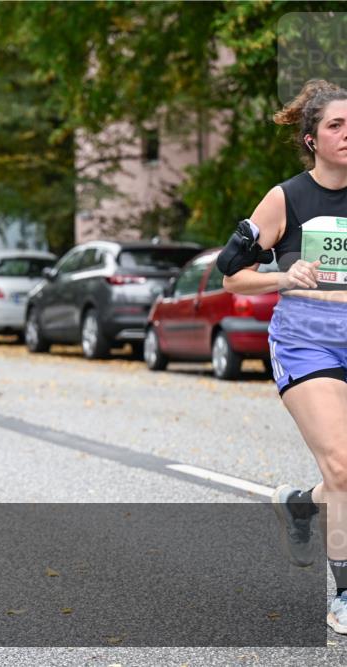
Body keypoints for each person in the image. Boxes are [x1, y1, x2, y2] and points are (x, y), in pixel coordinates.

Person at [220, 79, 347, 634]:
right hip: (308, 340)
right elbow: (232, 275)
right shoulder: (287, 198)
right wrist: (282, 275)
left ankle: (301, 503)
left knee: (344, 478)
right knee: (344, 466)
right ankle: (343, 595)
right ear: (311, 138)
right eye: (337, 125)